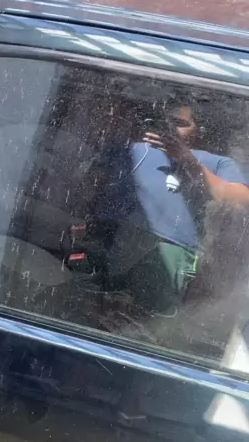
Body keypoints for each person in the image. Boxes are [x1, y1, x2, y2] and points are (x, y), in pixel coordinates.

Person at [106, 97, 249, 316]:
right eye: (165, 122)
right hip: (117, 239)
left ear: (198, 130)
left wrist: (187, 160)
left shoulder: (216, 162)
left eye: (180, 123)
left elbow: (239, 199)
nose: (171, 129)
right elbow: (91, 186)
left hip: (172, 252)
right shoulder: (131, 150)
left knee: (148, 319)